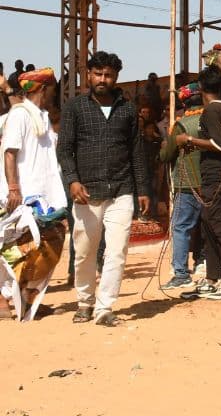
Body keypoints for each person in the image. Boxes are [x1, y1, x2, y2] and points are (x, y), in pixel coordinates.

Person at [57, 51, 150, 325]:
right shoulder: (75, 107)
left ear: (116, 77)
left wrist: (143, 188)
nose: (102, 79)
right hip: (86, 193)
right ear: (88, 75)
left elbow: (136, 151)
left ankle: (104, 308)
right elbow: (64, 150)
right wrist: (72, 180)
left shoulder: (128, 110)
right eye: (97, 74)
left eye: (108, 75)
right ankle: (84, 302)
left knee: (117, 251)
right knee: (84, 251)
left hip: (122, 190)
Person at [0, 67, 68, 321]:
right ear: (42, 88)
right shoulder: (19, 115)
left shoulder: (42, 116)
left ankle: (26, 297)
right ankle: (6, 300)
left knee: (46, 244)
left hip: (45, 195)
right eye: (51, 87)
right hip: (22, 194)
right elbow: (10, 152)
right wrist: (14, 187)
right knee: (12, 247)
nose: (54, 92)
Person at [178, 66, 221, 300]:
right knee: (207, 222)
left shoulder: (211, 112)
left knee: (216, 224)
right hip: (217, 174)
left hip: (215, 175)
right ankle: (212, 279)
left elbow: (218, 145)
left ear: (202, 88)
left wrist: (189, 139)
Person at [159, 86, 206, 289]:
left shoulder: (181, 125)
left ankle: (180, 273)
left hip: (187, 184)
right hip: (210, 182)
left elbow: (166, 156)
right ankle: (204, 263)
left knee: (180, 227)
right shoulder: (212, 120)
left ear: (184, 103)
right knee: (206, 226)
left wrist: (166, 146)